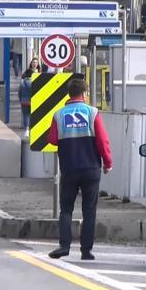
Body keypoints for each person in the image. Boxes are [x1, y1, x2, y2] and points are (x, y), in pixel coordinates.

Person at [46, 79, 112, 261]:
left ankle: (64, 246)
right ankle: (86, 250)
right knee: (89, 210)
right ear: (84, 94)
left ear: (69, 94)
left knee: (66, 209)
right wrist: (108, 163)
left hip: (69, 169)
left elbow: (52, 139)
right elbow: (102, 141)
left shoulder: (58, 115)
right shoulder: (93, 113)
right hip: (91, 169)